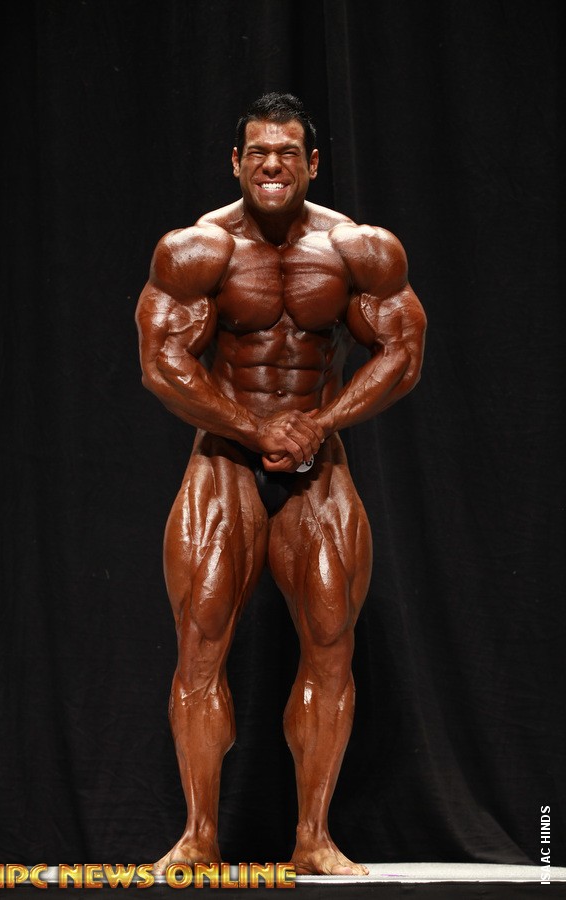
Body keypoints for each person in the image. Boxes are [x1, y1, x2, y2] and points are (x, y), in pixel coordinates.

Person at [135, 92, 426, 877]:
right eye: (259, 152)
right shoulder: (198, 250)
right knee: (200, 642)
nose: (273, 164)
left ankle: (314, 839)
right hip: (225, 459)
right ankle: (199, 835)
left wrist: (319, 423)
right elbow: (160, 363)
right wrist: (253, 426)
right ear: (236, 162)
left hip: (316, 461)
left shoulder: (357, 249)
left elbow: (403, 352)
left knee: (331, 642)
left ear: (312, 163)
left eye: (288, 152)